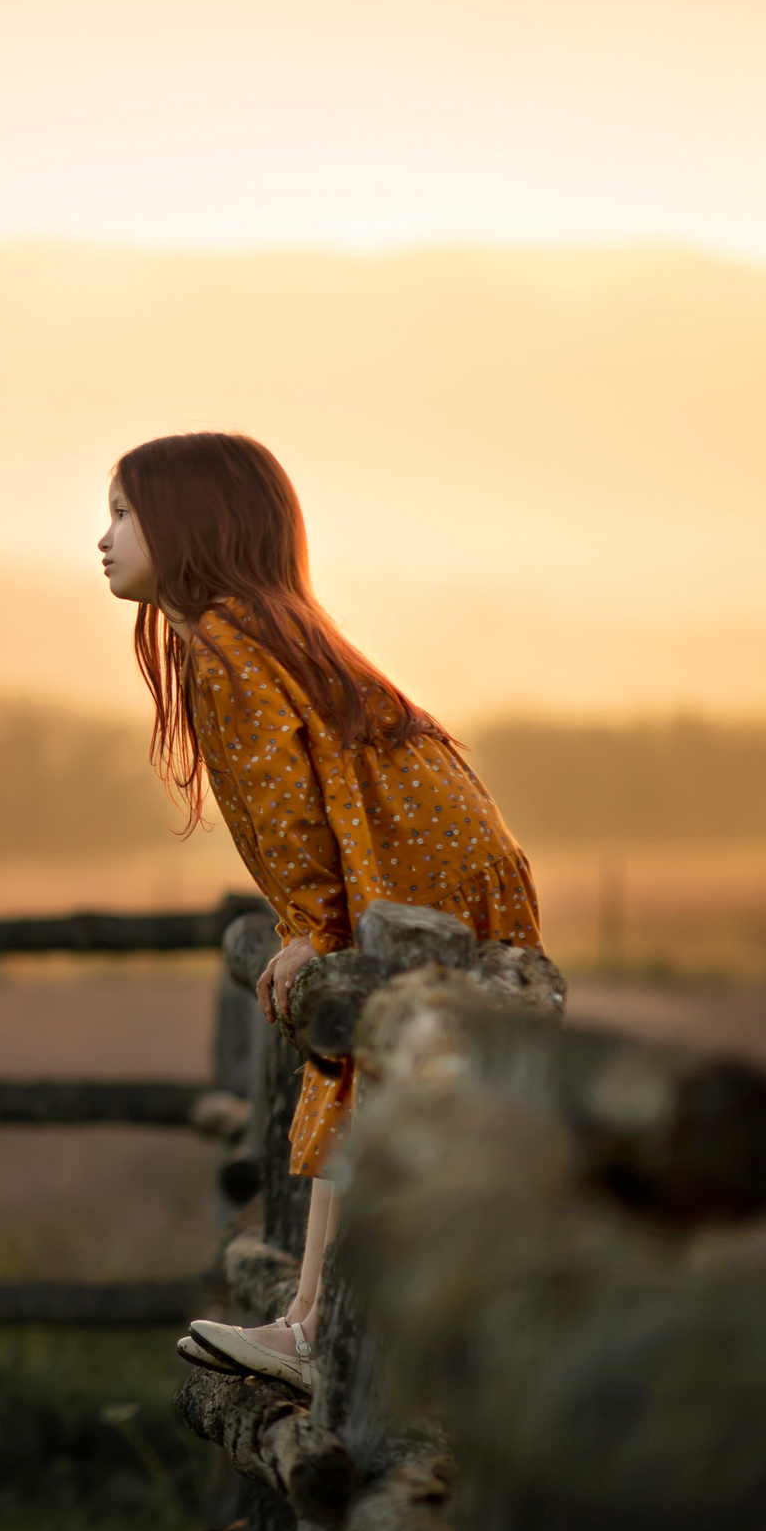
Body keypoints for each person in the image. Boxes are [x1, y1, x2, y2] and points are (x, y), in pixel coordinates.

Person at [97, 431, 540, 1390]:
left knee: (362, 1067)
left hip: (415, 868)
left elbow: (283, 803)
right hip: (443, 852)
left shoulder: (226, 642)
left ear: (191, 522)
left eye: (124, 513)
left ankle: (322, 1332)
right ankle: (312, 1323)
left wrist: (310, 931)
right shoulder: (255, 627)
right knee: (365, 1080)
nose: (103, 538)